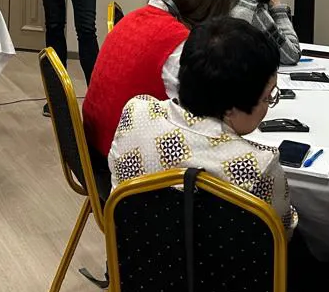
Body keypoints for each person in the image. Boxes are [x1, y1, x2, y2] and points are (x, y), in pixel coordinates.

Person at [109, 17, 297, 233]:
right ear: (231, 108)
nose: (269, 104)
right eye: (267, 97)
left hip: (132, 251)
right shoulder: (259, 167)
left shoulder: (135, 112)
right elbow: (282, 234)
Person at [81, 0, 239, 159]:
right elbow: (204, 116)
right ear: (213, 9)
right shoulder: (178, 45)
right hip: (122, 160)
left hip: (94, 147)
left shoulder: (138, 16)